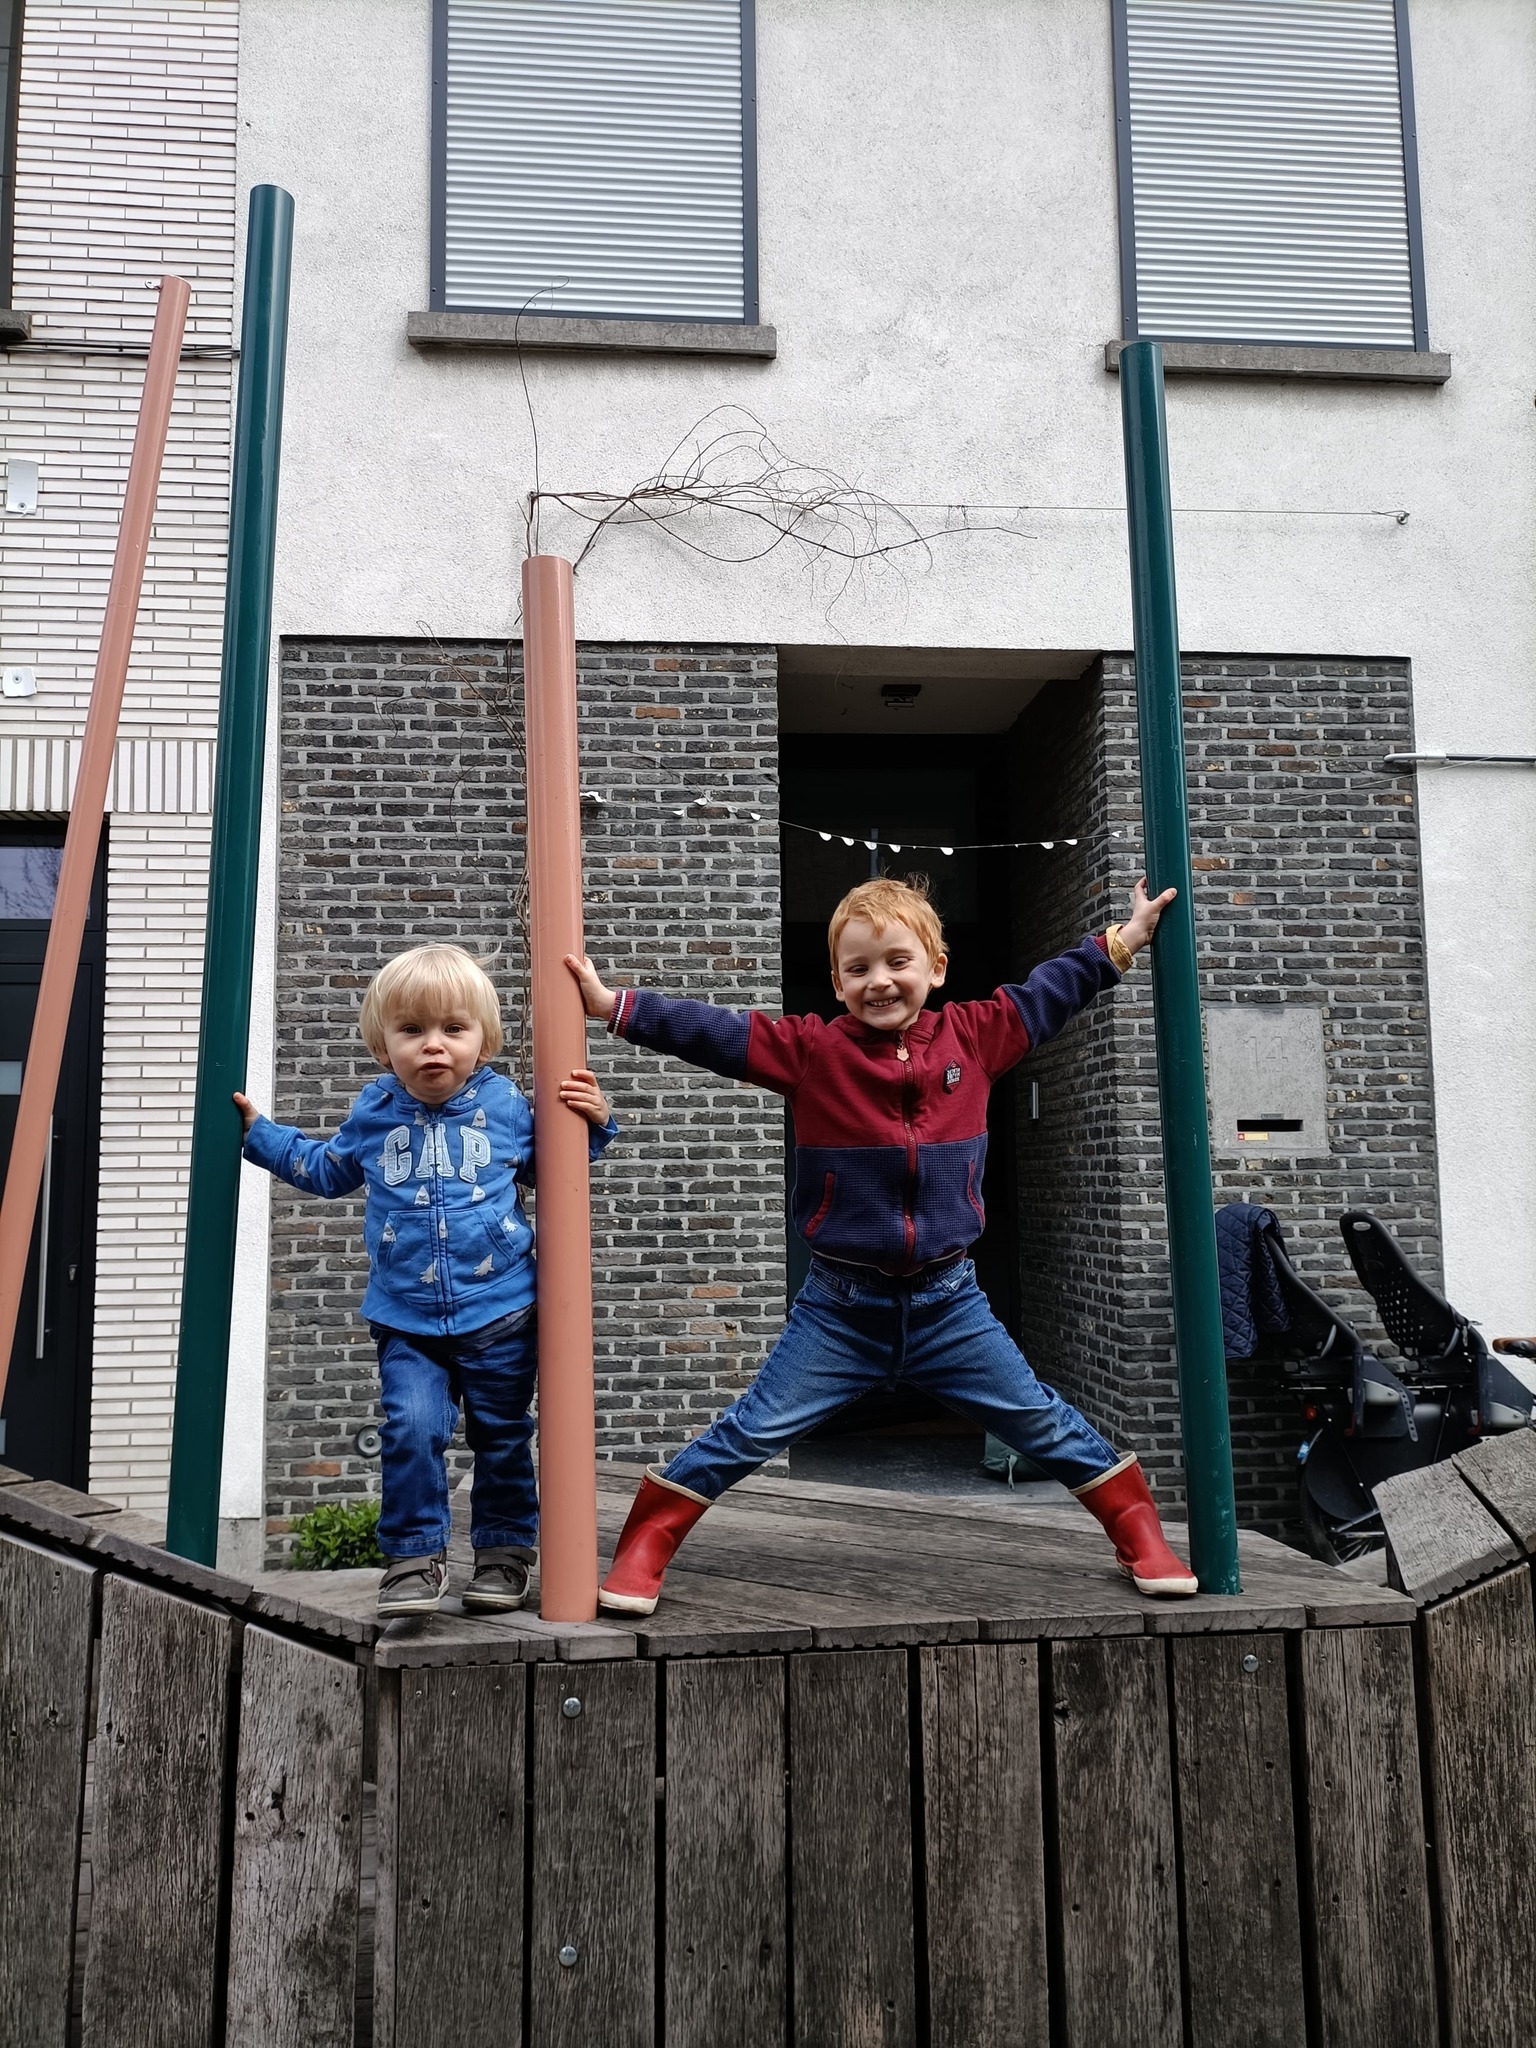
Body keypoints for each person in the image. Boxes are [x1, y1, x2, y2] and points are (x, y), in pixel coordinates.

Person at [566, 874, 1198, 1614]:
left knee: (1040, 1420)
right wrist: (618, 1008)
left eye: (898, 961)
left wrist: (1120, 943)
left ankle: (1136, 1527)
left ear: (936, 966)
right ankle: (649, 1541)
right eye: (859, 968)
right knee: (754, 1427)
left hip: (949, 1304)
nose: (880, 981)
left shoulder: (976, 1035)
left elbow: (1048, 992)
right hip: (840, 1309)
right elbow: (718, 1032)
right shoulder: (810, 1052)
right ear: (836, 982)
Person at [236, 943, 617, 1619]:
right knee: (411, 1428)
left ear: (484, 1040)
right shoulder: (374, 1112)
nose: (433, 1046)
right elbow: (327, 1171)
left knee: (501, 1434)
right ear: (384, 1048)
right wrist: (261, 1136)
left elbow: (558, 1170)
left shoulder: (506, 1107)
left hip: (500, 1310)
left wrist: (594, 1124)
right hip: (407, 1319)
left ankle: (503, 1554)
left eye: (452, 1029)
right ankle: (414, 1558)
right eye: (412, 1032)